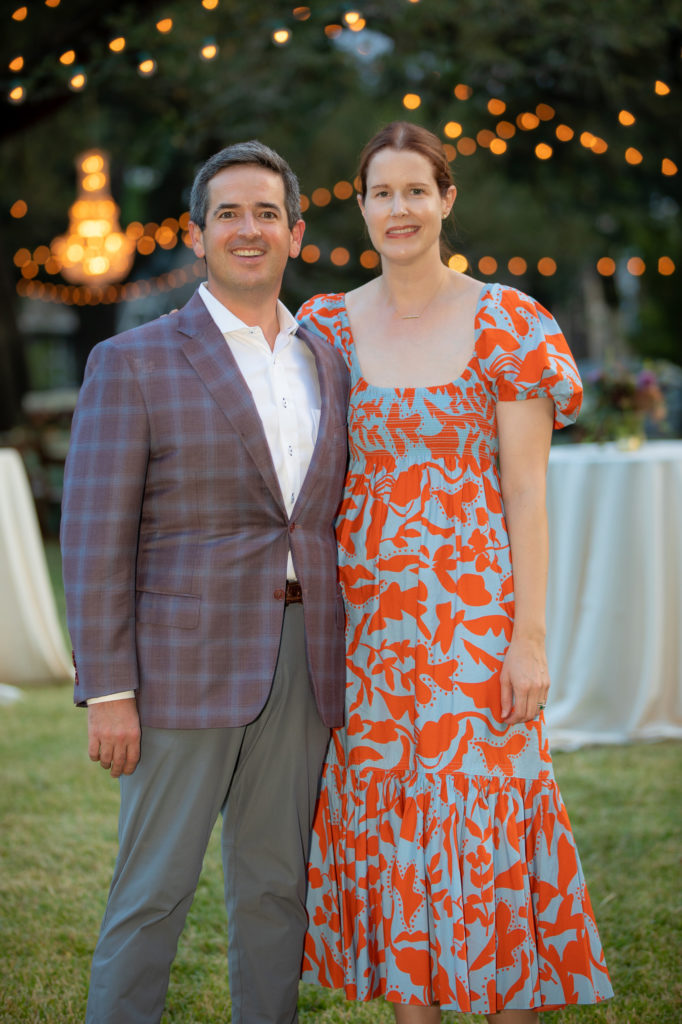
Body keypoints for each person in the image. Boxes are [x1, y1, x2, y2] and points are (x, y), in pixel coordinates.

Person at [297, 122, 613, 1022]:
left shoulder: (508, 323)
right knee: (395, 833)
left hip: (476, 631)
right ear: (360, 207)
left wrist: (529, 641)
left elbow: (526, 495)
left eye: (415, 191)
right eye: (381, 193)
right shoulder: (325, 328)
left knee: (491, 826)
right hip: (370, 639)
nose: (399, 209)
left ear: (447, 200)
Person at [60, 140, 350, 1024]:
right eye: (229, 212)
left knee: (275, 890)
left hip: (304, 660)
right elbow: (92, 538)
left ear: (297, 232)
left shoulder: (328, 362)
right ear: (197, 234)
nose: (249, 228)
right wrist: (109, 689)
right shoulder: (135, 361)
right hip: (180, 666)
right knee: (153, 892)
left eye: (267, 212)